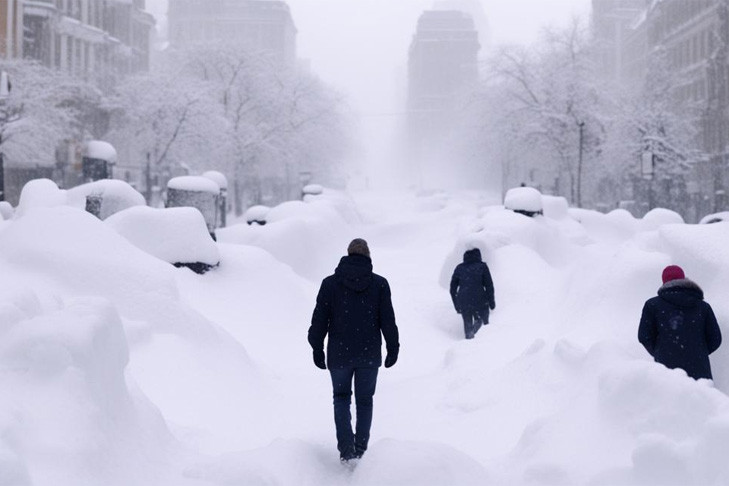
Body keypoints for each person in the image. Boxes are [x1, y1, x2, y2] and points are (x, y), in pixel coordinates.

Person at [308, 238, 400, 462]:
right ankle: (361, 449)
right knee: (365, 401)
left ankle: (346, 450)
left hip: (339, 354)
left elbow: (319, 319)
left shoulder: (330, 284)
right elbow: (387, 319)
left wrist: (317, 347)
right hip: (368, 354)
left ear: (348, 255)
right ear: (368, 257)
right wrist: (392, 347)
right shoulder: (379, 284)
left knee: (341, 398)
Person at [638, 265, 722, 380]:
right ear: (683, 279)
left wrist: (660, 351)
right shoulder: (703, 307)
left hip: (665, 371)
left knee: (668, 397)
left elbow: (644, 336)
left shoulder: (653, 305)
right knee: (700, 398)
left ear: (664, 282)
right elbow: (716, 339)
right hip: (700, 372)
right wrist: (697, 352)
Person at [450, 248, 495, 339]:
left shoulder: (459, 268)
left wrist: (457, 304)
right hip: (480, 300)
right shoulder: (482, 266)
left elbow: (452, 289)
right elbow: (489, 286)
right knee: (483, 327)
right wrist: (491, 303)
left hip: (464, 302)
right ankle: (480, 343)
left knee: (468, 327)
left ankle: (469, 341)